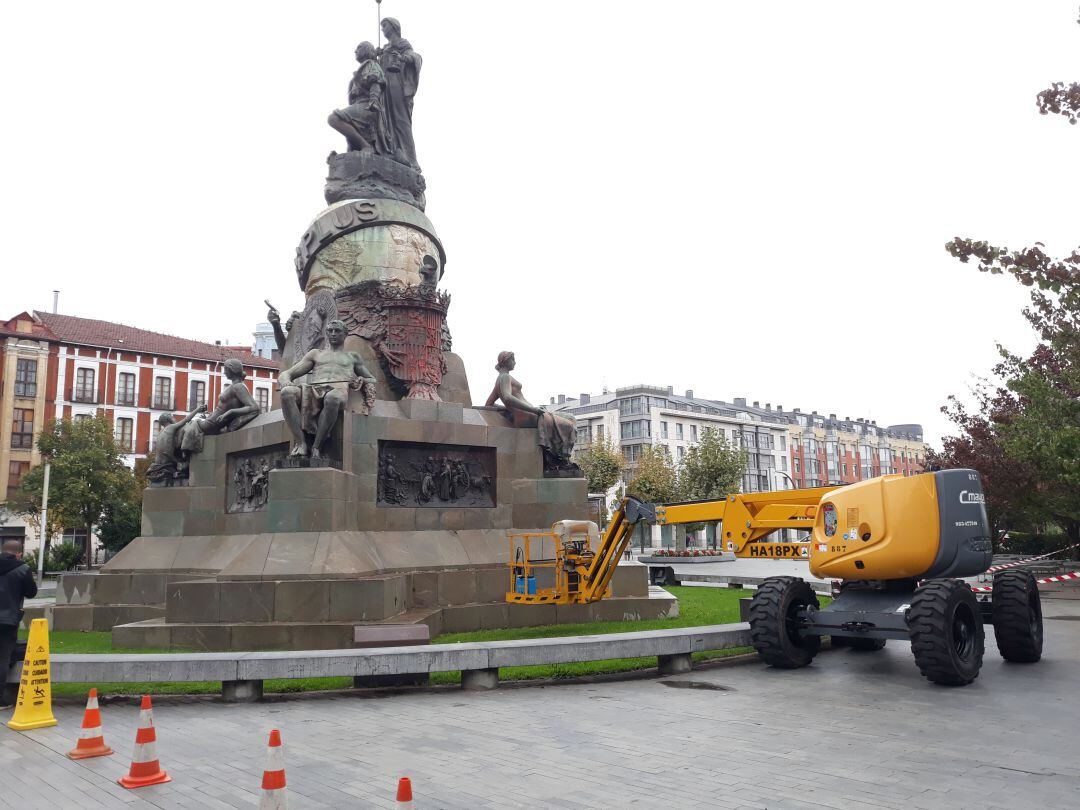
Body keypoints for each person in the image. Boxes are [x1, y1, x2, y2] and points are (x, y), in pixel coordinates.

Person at [279, 319, 377, 458]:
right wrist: (286, 382)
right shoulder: (316, 354)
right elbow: (287, 373)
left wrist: (361, 379)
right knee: (287, 393)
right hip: (313, 389)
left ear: (345, 334)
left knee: (333, 398)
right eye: (330, 331)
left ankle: (316, 447)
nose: (333, 334)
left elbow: (372, 378)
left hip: (338, 390)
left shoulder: (352, 357)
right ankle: (301, 443)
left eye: (337, 331)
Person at [485, 351, 577, 467]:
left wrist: (508, 409)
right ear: (506, 361)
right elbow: (507, 397)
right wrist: (533, 410)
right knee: (570, 423)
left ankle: (558, 458)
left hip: (528, 414)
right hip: (529, 416)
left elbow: (489, 404)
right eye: (513, 359)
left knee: (569, 417)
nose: (515, 362)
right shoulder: (504, 377)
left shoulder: (499, 379)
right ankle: (561, 458)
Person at [329, 41, 392, 155]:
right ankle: (361, 147)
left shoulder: (371, 64)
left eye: (359, 47)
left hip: (367, 106)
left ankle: (366, 146)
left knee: (334, 119)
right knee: (339, 122)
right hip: (359, 105)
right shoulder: (365, 67)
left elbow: (376, 81)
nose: (355, 51)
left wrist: (374, 99)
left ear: (366, 50)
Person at [0, 540, 37, 707]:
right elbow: (31, 593)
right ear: (19, 553)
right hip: (9, 621)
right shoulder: (22, 569)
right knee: (3, 658)